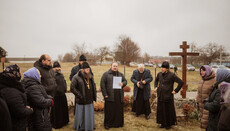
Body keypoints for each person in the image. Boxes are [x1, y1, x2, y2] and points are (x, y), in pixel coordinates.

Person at [0, 64, 33, 131]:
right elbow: (20, 111)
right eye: (19, 72)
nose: (21, 73)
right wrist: (30, 110)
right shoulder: (12, 91)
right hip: (15, 125)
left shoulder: (6, 86)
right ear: (14, 74)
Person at [154, 61, 183, 130]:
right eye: (161, 67)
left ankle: (168, 124)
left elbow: (181, 82)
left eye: (163, 68)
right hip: (160, 95)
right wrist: (156, 86)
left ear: (167, 69)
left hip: (168, 96)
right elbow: (156, 80)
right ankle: (162, 123)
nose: (162, 69)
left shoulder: (172, 75)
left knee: (168, 110)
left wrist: (175, 90)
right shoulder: (159, 74)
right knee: (161, 110)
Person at [100, 62, 127, 130]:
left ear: (118, 67)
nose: (115, 67)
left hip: (118, 96)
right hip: (109, 96)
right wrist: (105, 94)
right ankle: (107, 124)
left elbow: (125, 81)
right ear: (111, 66)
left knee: (118, 110)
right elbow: (102, 84)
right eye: (114, 66)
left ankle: (118, 123)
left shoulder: (120, 74)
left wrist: (123, 83)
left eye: (116, 66)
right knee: (109, 111)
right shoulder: (106, 74)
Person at [71, 62, 97, 131]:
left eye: (88, 69)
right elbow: (72, 88)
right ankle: (81, 127)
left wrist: (94, 95)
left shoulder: (90, 76)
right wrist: (79, 95)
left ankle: (90, 126)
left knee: (89, 114)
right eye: (86, 69)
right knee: (82, 115)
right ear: (82, 69)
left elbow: (93, 86)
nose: (88, 70)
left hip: (89, 99)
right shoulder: (76, 77)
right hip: (81, 100)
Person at [51, 61, 69, 129]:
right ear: (53, 68)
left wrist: (65, 88)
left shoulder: (61, 75)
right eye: (56, 67)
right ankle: (57, 124)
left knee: (63, 109)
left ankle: (64, 122)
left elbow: (64, 82)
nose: (58, 68)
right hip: (56, 96)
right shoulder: (52, 75)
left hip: (62, 95)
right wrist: (58, 90)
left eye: (58, 67)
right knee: (57, 111)